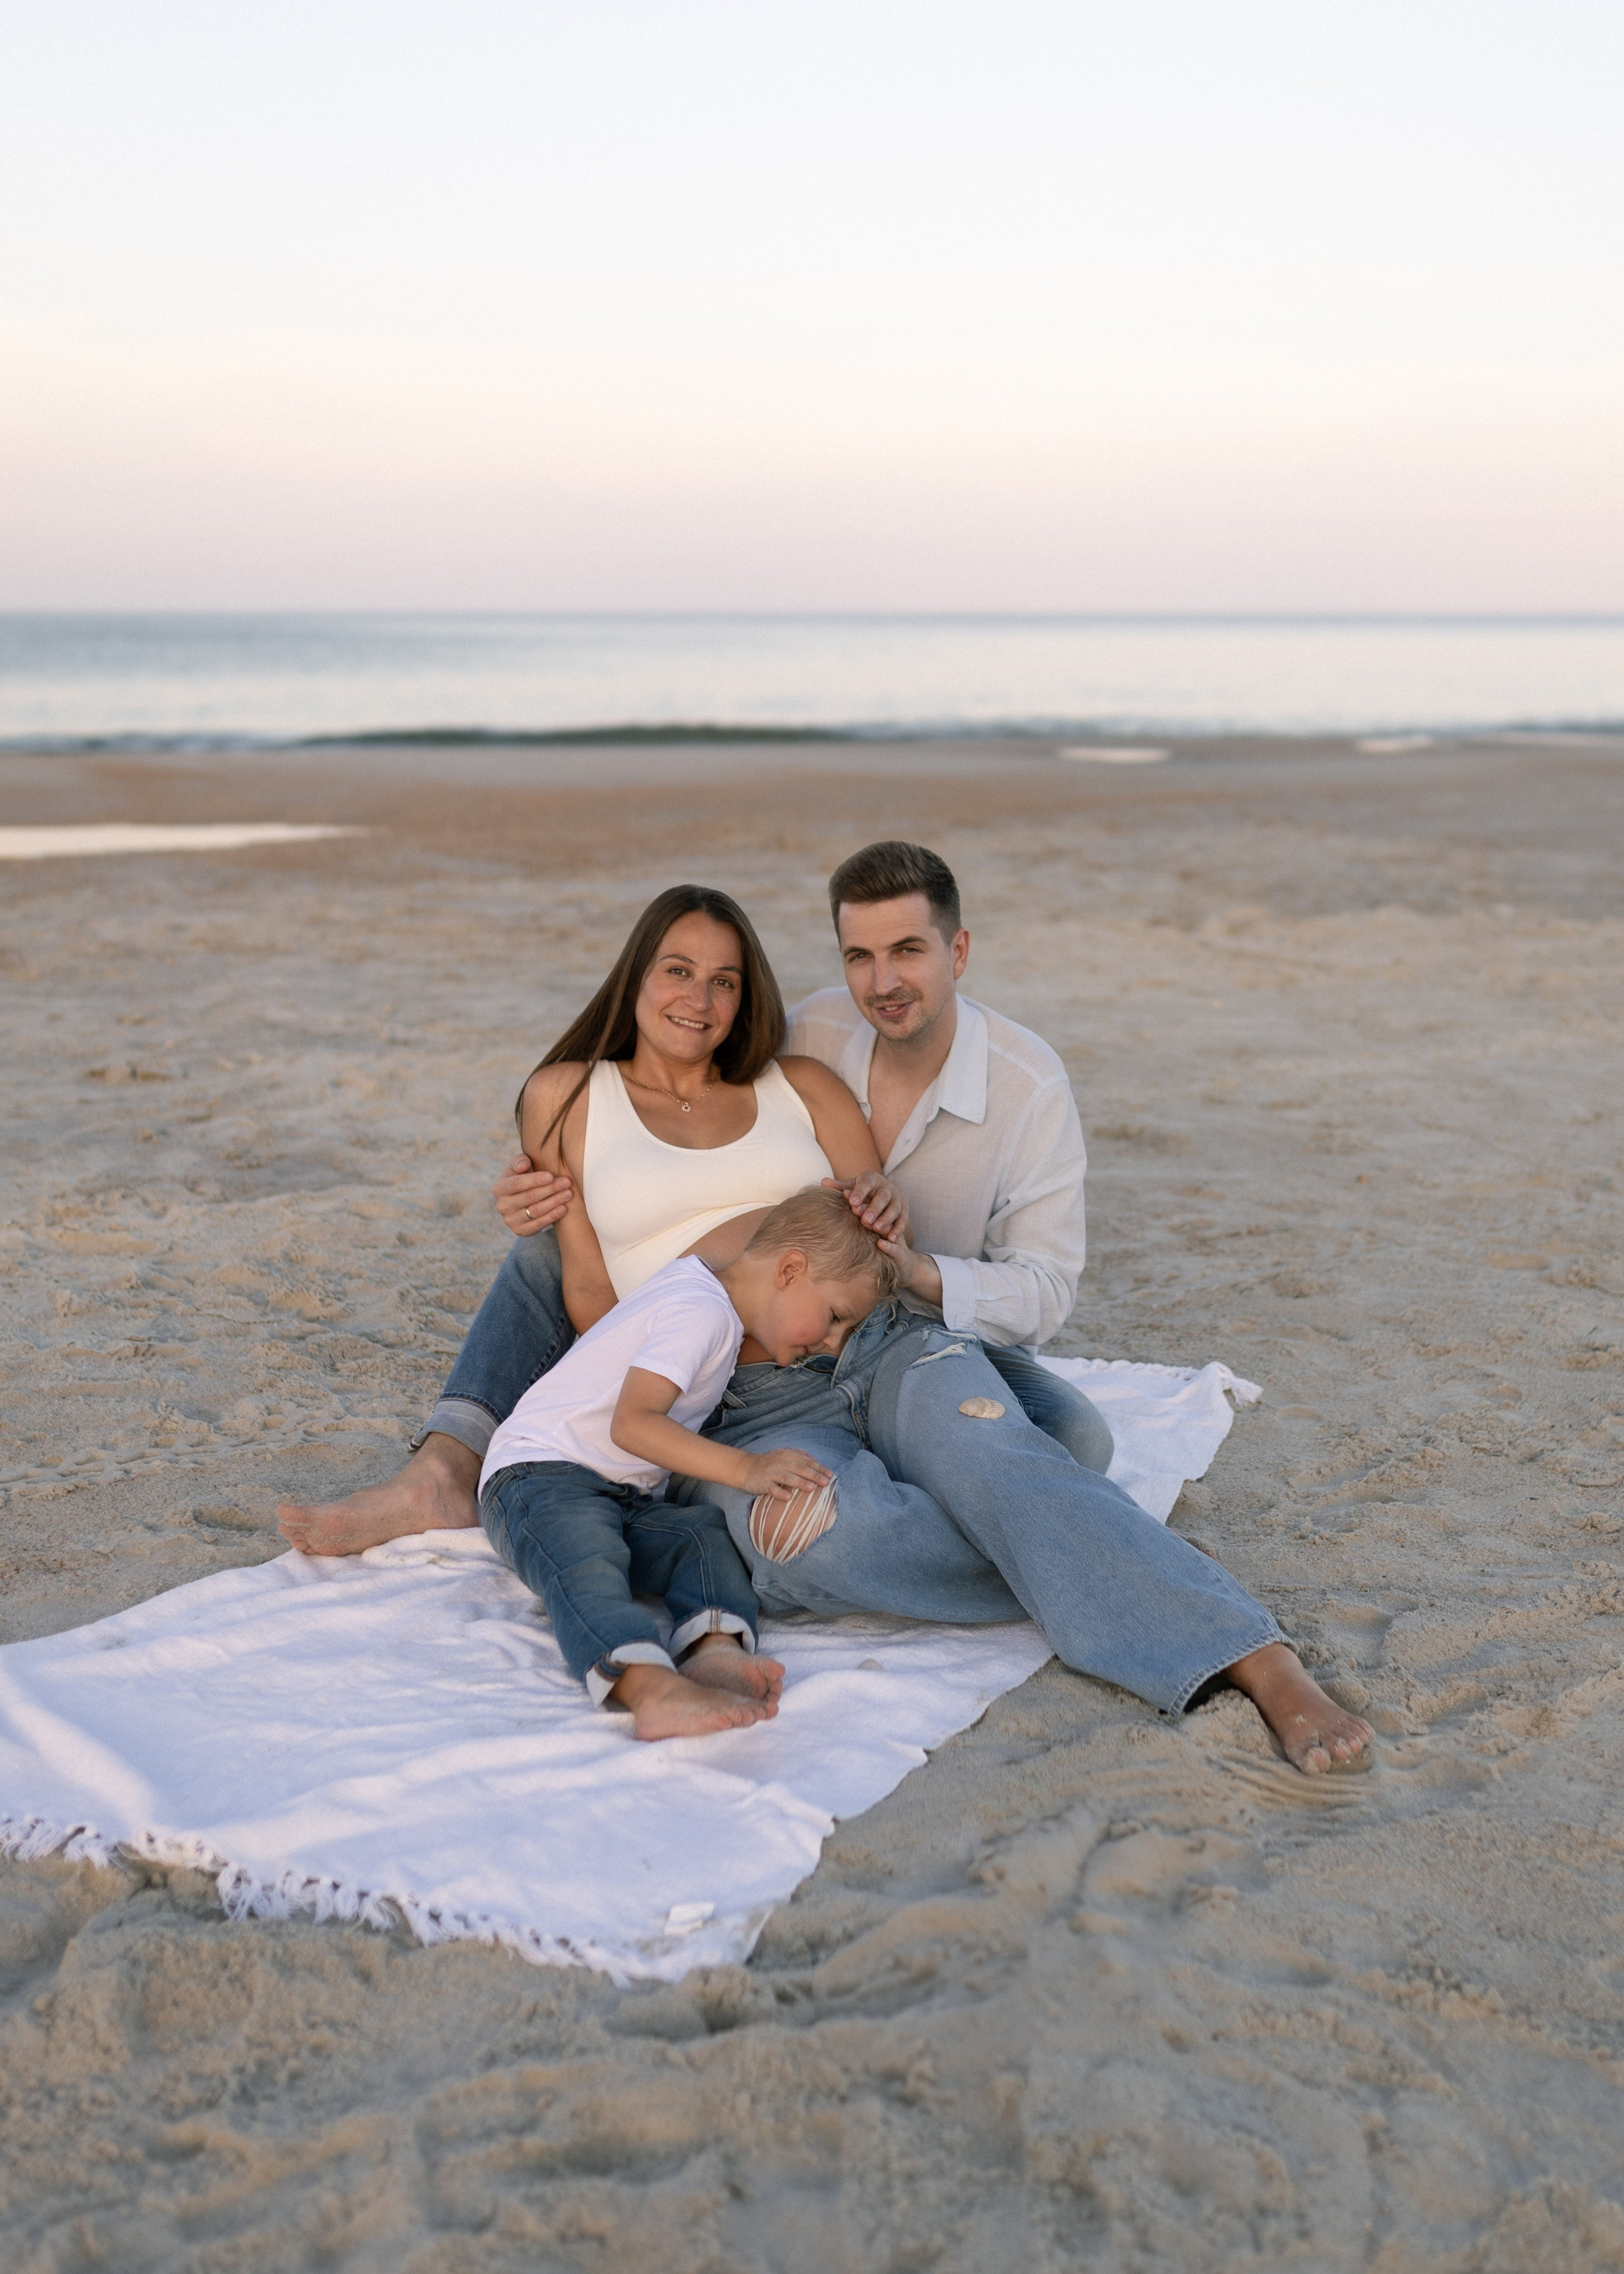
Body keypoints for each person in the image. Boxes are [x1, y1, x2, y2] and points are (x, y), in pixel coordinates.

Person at [281, 855, 1371, 1773]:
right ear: (639, 973)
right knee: (816, 1536)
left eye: (721, 980)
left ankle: (1252, 1655)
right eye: (676, 972)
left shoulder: (802, 1075)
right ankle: (1074, 1542)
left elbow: (878, 1228)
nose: (700, 1000)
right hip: (741, 1398)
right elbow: (588, 1303)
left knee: (1003, 1463)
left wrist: (880, 1216)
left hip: (881, 1338)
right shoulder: (566, 1095)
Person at [479, 1186, 895, 1740]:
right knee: (587, 1561)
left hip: (619, 1492)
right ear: (790, 1270)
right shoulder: (699, 1312)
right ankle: (648, 1686)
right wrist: (747, 1470)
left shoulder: (712, 1306)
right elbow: (632, 1424)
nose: (832, 1342)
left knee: (699, 1534)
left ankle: (713, 1647)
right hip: (539, 1475)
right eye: (835, 1317)